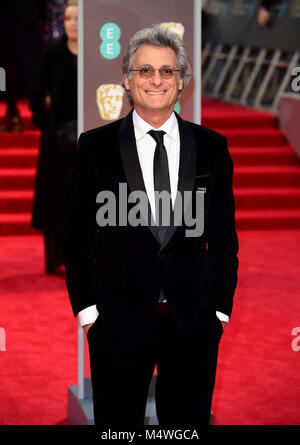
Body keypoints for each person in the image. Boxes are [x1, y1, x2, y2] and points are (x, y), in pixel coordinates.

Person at [63, 25, 239, 425]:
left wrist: (219, 313)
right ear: (127, 79)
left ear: (181, 82)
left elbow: (225, 240)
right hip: (117, 325)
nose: (156, 80)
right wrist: (90, 313)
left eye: (167, 71)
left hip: (193, 323)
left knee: (187, 427)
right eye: (145, 71)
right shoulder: (95, 147)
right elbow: (75, 239)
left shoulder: (212, 147)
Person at [30, 0, 78, 274]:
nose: (72, 24)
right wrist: (48, 129)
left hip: (88, 140)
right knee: (54, 198)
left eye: (77, 19)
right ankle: (53, 254)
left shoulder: (97, 56)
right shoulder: (51, 55)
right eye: (68, 19)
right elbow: (36, 96)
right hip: (55, 142)